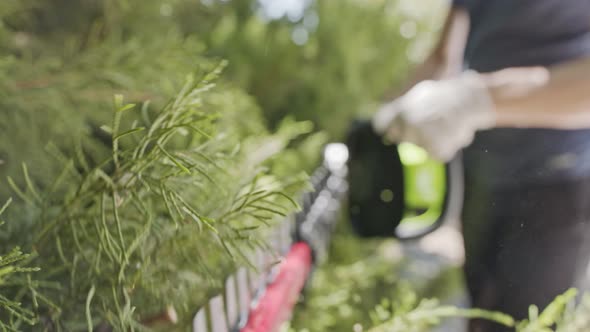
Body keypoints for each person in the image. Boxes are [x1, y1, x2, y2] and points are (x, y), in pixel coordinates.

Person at [373, 2, 590, 331]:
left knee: (528, 322)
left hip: (555, 178)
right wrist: (382, 120)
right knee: (482, 311)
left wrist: (478, 99)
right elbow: (441, 59)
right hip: (480, 174)